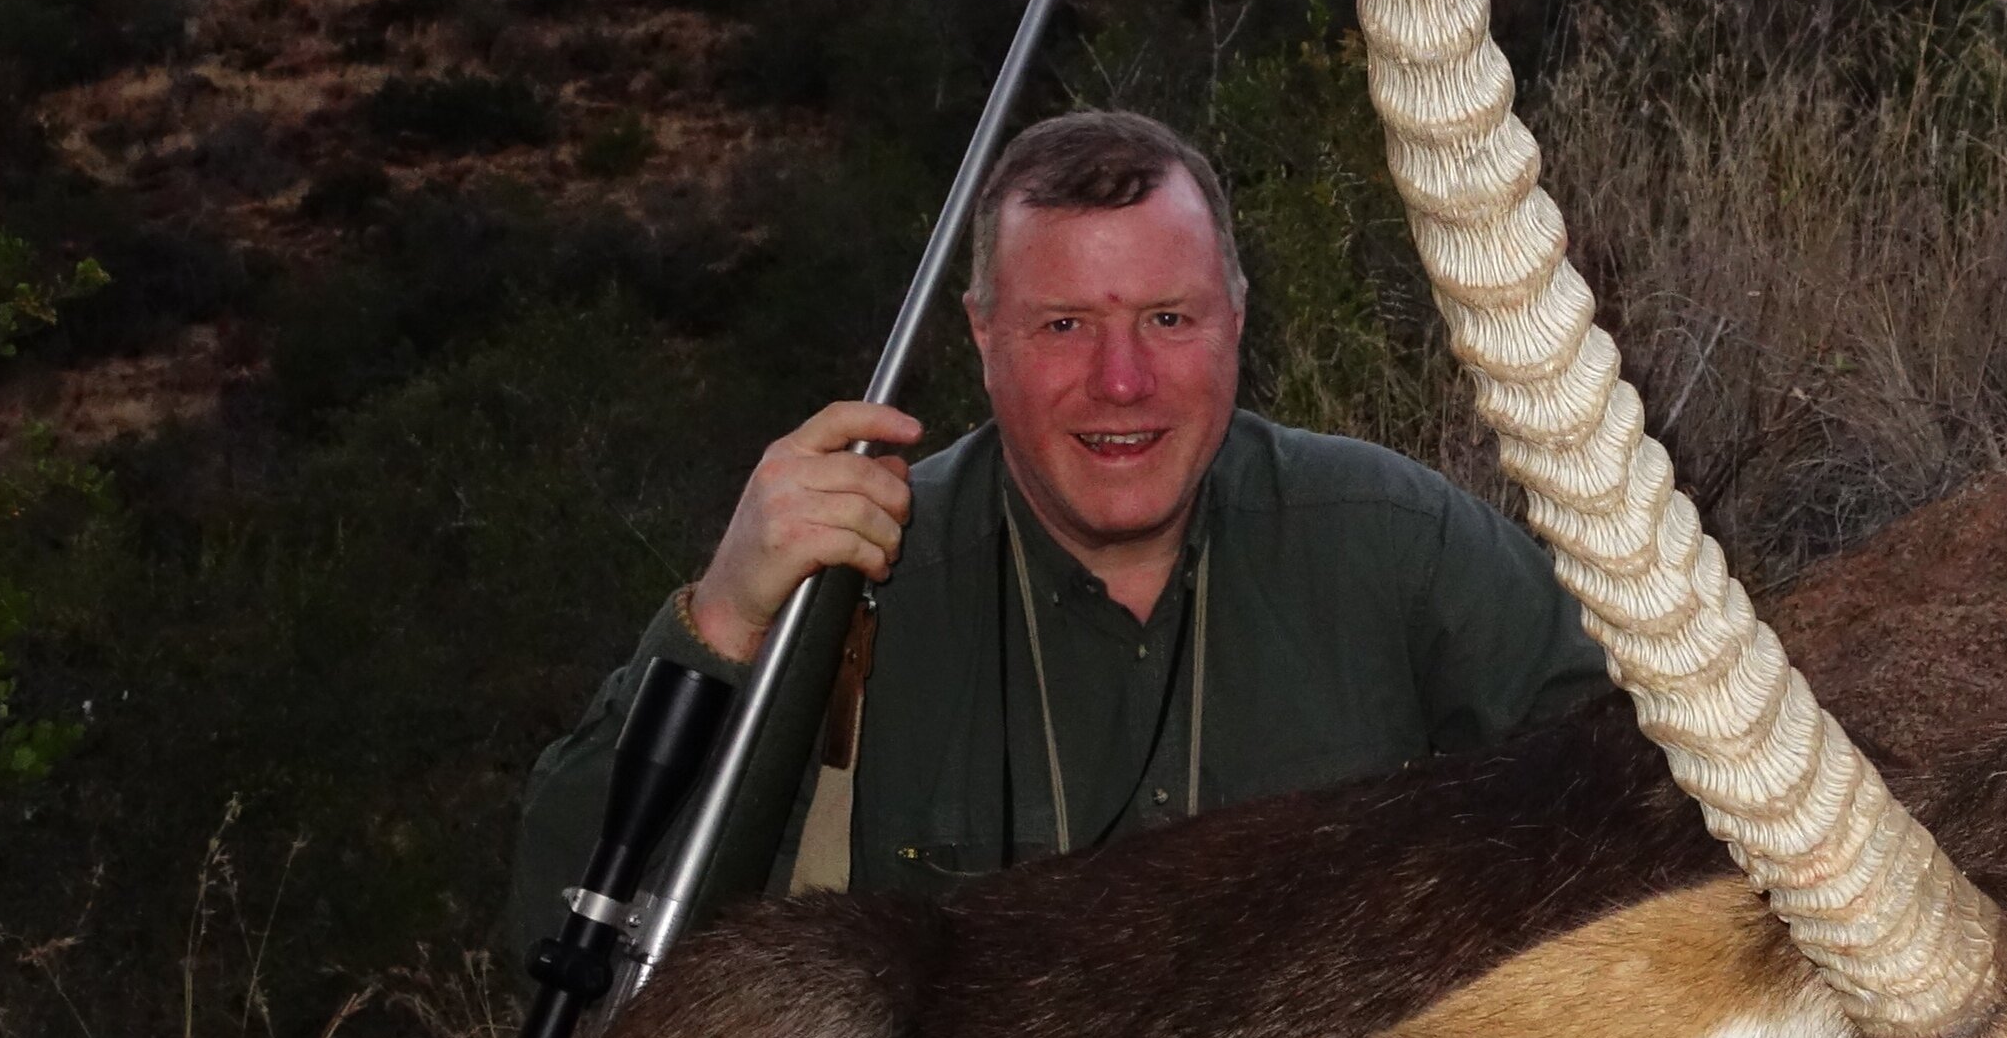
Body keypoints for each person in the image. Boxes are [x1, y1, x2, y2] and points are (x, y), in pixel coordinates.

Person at [502, 108, 1609, 945]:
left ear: (1235, 317)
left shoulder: (1394, 542)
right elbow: (564, 923)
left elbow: (1630, 804)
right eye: (1064, 324)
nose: (1121, 381)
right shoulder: (857, 581)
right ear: (983, 335)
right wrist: (728, 615)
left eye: (1168, 319)